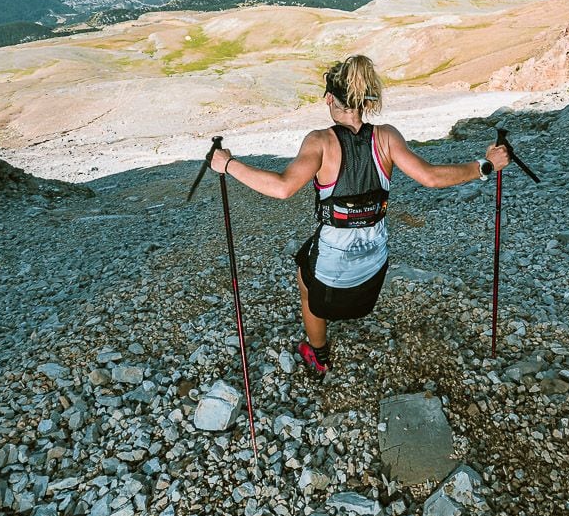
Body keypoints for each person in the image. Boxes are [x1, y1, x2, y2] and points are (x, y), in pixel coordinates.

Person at [211, 55, 510, 378]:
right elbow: (432, 178)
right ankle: (322, 341)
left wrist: (228, 164)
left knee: (304, 277)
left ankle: (319, 355)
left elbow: (283, 188)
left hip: (332, 271)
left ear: (329, 98)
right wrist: (486, 165)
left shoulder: (320, 142)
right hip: (373, 266)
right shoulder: (387, 137)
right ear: (364, 100)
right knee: (309, 253)